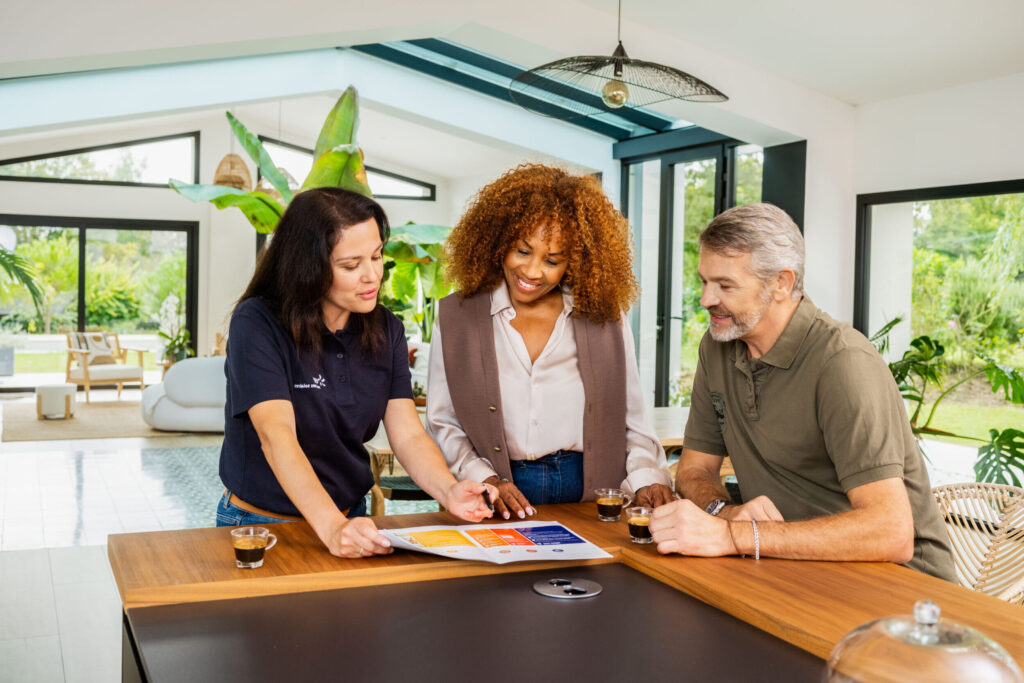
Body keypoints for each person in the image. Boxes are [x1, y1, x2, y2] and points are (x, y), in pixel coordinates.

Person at [649, 203, 956, 581]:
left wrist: (736, 536)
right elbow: (695, 468)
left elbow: (891, 532)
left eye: (725, 285)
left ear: (782, 282)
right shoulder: (717, 347)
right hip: (790, 566)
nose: (706, 299)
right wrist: (724, 514)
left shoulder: (843, 363)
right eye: (704, 281)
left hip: (903, 589)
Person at [216, 187, 495, 558]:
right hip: (261, 526)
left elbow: (408, 434)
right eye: (351, 266)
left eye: (377, 256)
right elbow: (276, 437)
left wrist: (448, 489)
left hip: (352, 520)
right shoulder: (259, 323)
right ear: (308, 267)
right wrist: (331, 527)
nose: (372, 275)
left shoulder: (386, 329)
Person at [426, 164, 673, 520]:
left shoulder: (605, 317)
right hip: (498, 490)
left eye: (552, 260)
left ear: (575, 262)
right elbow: (442, 421)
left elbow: (631, 417)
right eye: (522, 251)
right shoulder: (456, 317)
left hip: (588, 486)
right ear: (498, 242)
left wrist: (647, 478)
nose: (531, 272)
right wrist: (485, 477)